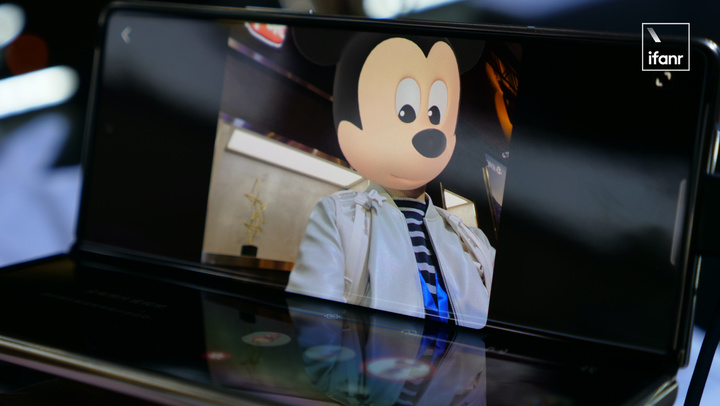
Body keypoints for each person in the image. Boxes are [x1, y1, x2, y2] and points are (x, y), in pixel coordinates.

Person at [286, 32, 495, 329]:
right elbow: (314, 324)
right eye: (406, 111)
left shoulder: (473, 241)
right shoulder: (337, 217)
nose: (429, 132)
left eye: (435, 113)